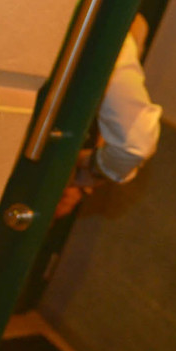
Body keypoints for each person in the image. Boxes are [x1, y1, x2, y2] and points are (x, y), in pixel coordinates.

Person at [54, 13, 162, 218]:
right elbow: (133, 143)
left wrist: (82, 181)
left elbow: (107, 113)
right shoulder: (115, 20)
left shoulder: (131, 24)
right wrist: (91, 167)